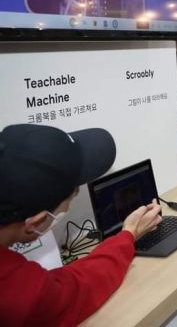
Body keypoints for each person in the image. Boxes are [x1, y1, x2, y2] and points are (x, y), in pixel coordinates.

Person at [0, 124, 161, 326]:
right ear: (37, 222)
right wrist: (128, 234)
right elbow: (78, 289)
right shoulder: (17, 294)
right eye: (73, 194)